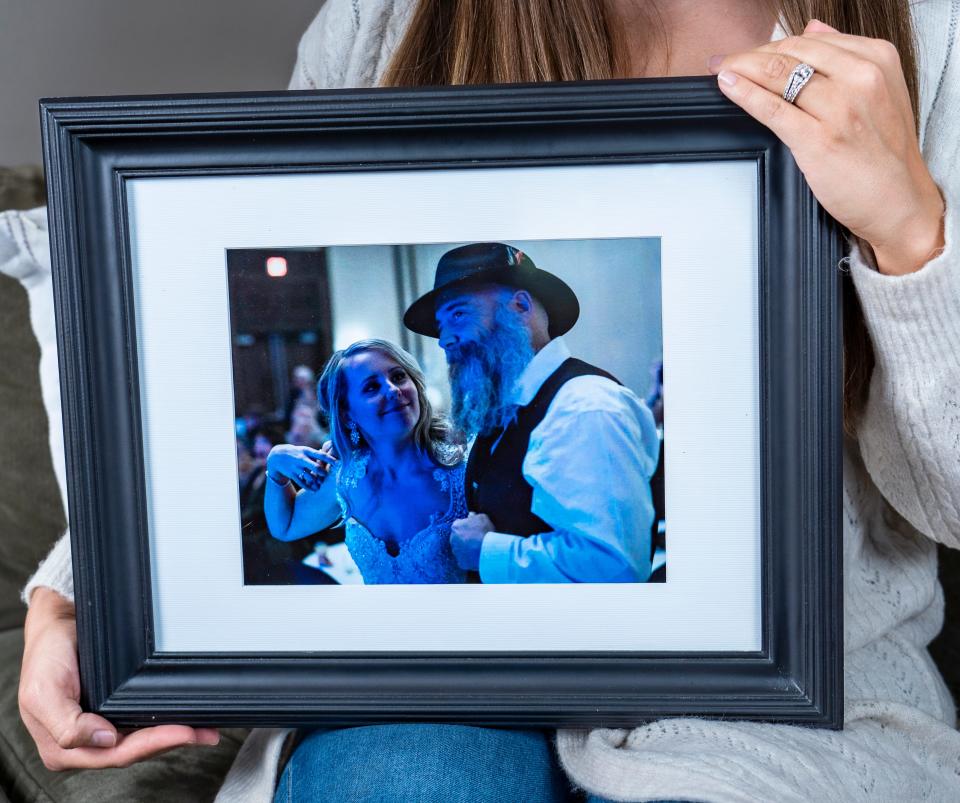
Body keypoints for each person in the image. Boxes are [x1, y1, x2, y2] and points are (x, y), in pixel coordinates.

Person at [16, 0, 960, 801]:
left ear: (520, 309)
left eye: (457, 321)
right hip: (420, 689)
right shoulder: (384, 20)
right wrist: (75, 594)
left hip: (778, 700)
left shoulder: (923, 35)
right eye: (433, 335)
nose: (440, 349)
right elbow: (170, 327)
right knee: (406, 775)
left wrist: (913, 235)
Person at [403, 241, 660, 583]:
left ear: (520, 306)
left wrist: (487, 551)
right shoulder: (509, 410)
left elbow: (615, 566)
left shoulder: (585, 408)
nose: (444, 339)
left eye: (459, 314)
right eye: (441, 325)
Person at [264, 339, 468, 584]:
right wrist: (275, 464)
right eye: (371, 387)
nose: (392, 390)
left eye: (399, 377)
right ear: (346, 412)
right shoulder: (347, 476)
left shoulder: (461, 467)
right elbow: (285, 526)